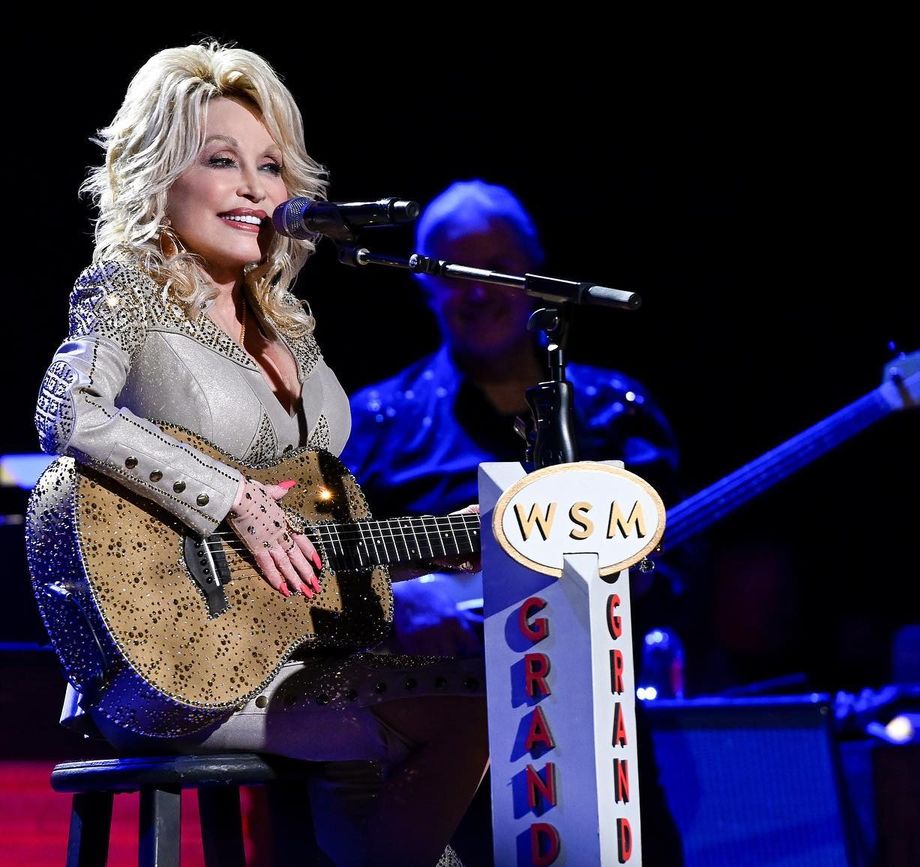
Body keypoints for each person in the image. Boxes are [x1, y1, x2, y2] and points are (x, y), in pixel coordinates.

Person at [30, 41, 486, 867]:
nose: (254, 188)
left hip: (305, 654)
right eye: (221, 159)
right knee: (469, 708)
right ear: (157, 175)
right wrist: (229, 496)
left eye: (270, 166)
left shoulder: (291, 326)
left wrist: (461, 541)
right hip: (168, 664)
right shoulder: (126, 290)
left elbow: (310, 529)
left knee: (465, 721)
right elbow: (69, 413)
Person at [340, 179, 688, 865]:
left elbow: (675, 566)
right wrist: (395, 599)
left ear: (535, 273)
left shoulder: (616, 409)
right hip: (436, 744)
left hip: (599, 731)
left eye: (496, 266)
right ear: (423, 284)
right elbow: (316, 573)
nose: (477, 290)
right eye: (451, 268)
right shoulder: (377, 422)